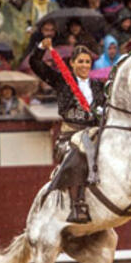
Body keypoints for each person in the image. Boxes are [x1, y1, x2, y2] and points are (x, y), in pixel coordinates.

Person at [31, 38, 106, 223]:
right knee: (79, 152)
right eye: (80, 61)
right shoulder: (62, 81)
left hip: (95, 133)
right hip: (70, 135)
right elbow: (35, 64)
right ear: (71, 63)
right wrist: (42, 47)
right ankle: (77, 204)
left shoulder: (98, 86)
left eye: (87, 62)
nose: (84, 65)